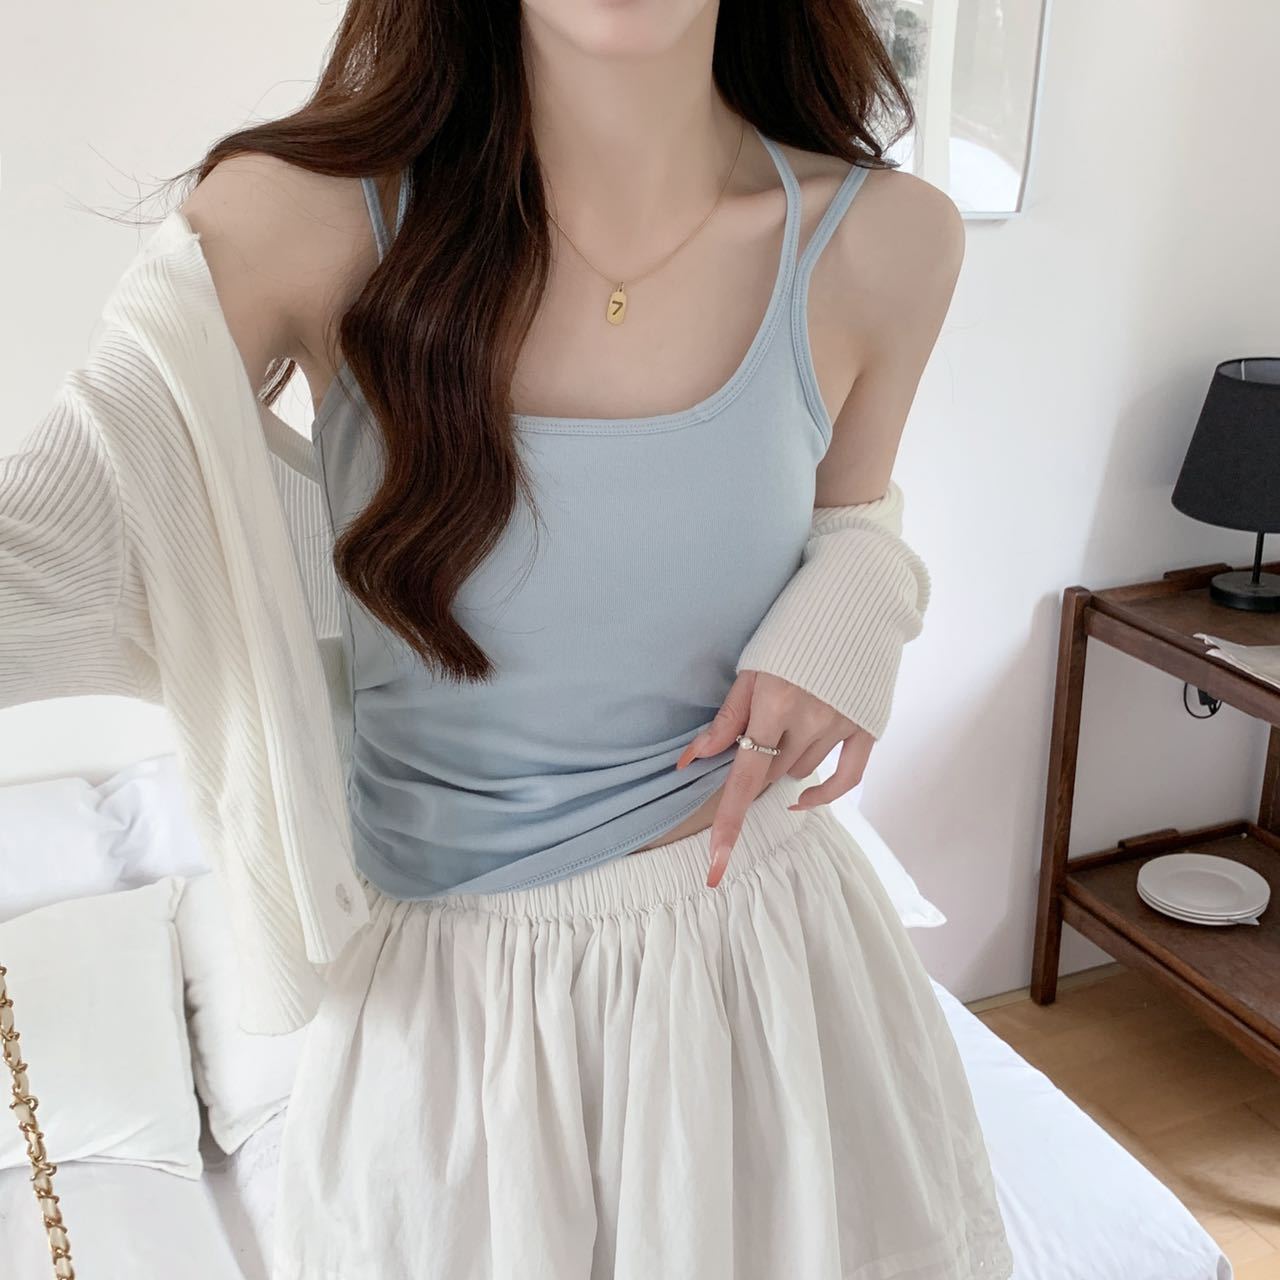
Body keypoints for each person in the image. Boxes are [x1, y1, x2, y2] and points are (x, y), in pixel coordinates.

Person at [3, 2, 1015, 1278]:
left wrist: (860, 600)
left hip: (769, 974)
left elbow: (852, 516)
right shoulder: (297, 222)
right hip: (452, 1020)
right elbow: (52, 554)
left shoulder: (885, 237)